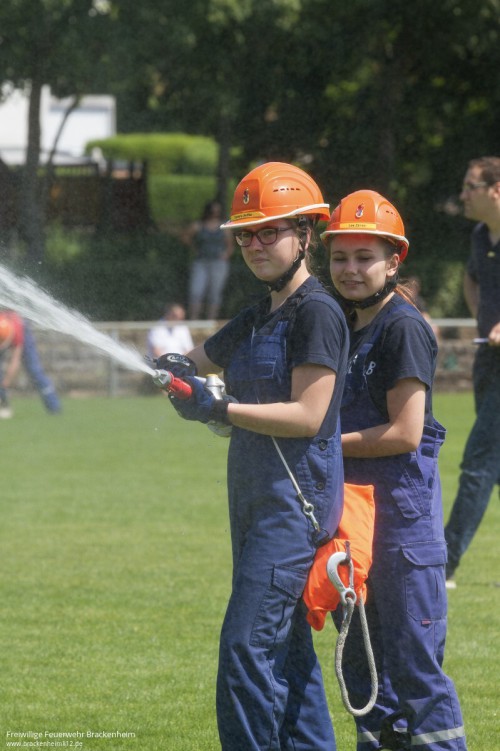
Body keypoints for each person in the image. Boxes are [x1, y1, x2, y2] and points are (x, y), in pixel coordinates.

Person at [158, 162, 349, 750]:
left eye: (270, 231)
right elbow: (198, 359)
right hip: (252, 501)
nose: (256, 245)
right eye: (245, 235)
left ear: (305, 234)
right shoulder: (260, 311)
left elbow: (309, 415)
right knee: (287, 653)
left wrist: (218, 407)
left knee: (246, 648)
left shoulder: (317, 312)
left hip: (291, 511)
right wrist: (172, 371)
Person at [322, 190, 467, 750]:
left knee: (414, 674)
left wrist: (320, 443)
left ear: (393, 261)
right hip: (353, 522)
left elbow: (406, 431)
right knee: (364, 673)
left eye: (365, 257)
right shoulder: (346, 324)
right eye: (340, 257)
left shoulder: (402, 327)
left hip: (403, 529)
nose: (351, 269)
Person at [444, 156, 500, 587]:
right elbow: (470, 279)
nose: (463, 195)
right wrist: (484, 318)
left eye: (470, 187)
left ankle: (443, 564)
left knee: (479, 461)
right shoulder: (481, 235)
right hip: (489, 361)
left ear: (495, 190)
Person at [0, 310, 62, 417]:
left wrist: (6, 382)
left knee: (34, 370)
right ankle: (3, 404)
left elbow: (15, 360)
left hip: (23, 331)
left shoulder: (18, 331)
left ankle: (54, 408)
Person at [184, 199, 234, 320]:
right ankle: (194, 319)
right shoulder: (199, 225)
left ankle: (211, 321)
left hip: (218, 263)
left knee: (215, 293)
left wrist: (226, 255)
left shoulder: (224, 226)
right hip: (201, 261)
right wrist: (194, 248)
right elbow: (185, 236)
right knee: (196, 292)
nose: (214, 214)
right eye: (213, 211)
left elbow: (230, 244)